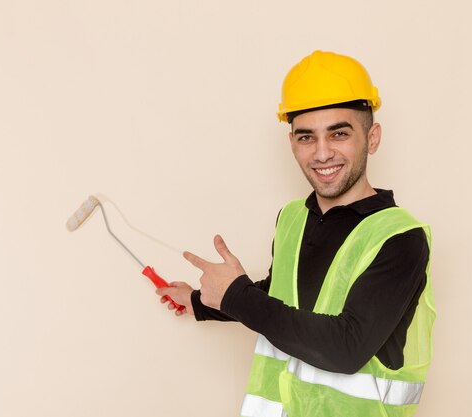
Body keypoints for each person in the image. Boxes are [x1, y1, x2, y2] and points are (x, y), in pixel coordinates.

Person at [156, 50, 436, 417]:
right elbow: (280, 298)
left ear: (372, 138)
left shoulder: (400, 238)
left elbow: (347, 347)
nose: (322, 153)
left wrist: (237, 297)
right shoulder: (292, 217)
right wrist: (204, 301)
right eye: (306, 137)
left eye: (339, 133)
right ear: (292, 144)